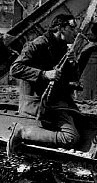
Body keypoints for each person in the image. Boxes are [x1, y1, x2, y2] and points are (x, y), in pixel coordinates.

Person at [7, 14, 82, 158]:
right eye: (72, 29)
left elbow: (72, 78)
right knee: (70, 138)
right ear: (61, 28)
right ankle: (22, 131)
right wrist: (44, 74)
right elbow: (15, 69)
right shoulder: (37, 45)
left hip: (56, 102)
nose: (75, 33)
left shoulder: (63, 48)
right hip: (38, 103)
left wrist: (73, 63)